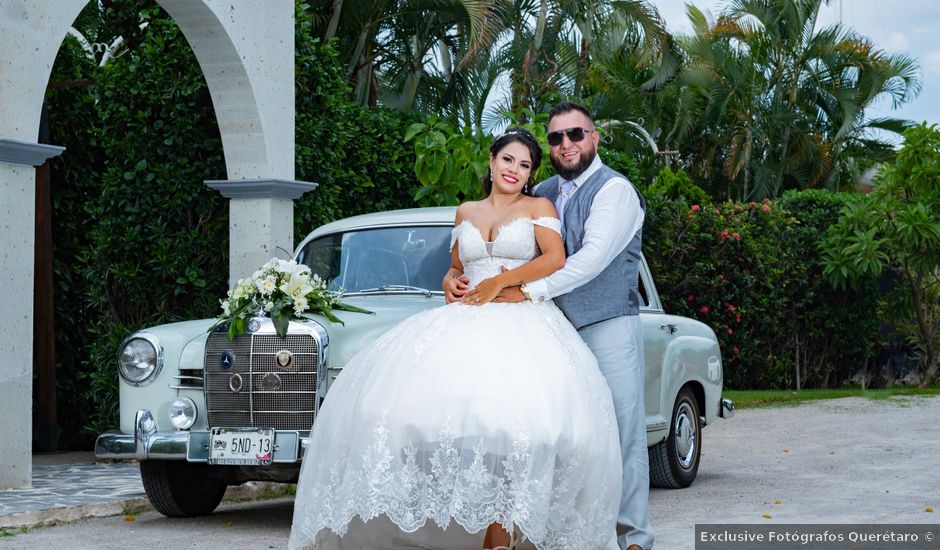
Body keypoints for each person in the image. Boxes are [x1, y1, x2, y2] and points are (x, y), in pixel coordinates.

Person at [289, 128, 622, 550]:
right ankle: (470, 527)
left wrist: (502, 283)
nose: (514, 171)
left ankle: (503, 538)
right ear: (491, 160)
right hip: (464, 322)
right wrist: (451, 282)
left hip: (522, 321)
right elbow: (455, 267)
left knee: (522, 428)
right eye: (508, 160)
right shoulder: (466, 211)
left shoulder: (539, 206)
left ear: (531, 173)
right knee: (435, 425)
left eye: (524, 165)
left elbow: (555, 259)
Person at [477, 102, 653, 550]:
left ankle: (633, 539)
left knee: (620, 432)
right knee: (562, 434)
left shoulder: (615, 191)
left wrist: (528, 292)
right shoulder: (545, 192)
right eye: (555, 138)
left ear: (594, 138)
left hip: (607, 323)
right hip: (549, 332)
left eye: (575, 134)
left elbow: (592, 259)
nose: (566, 144)